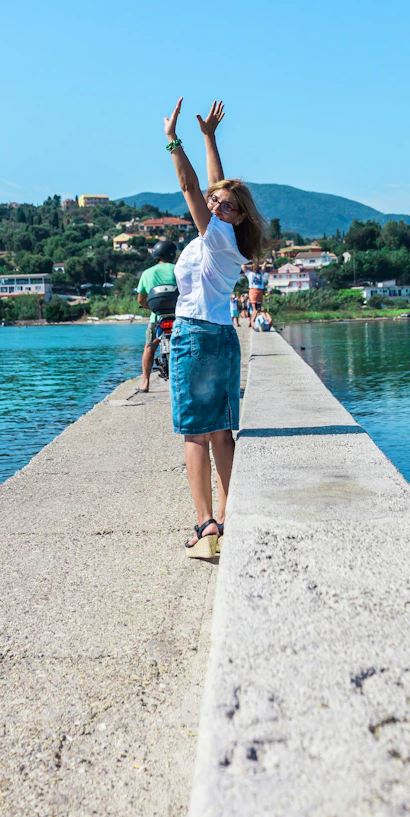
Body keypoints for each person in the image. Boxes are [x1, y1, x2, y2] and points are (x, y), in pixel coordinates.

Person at [164, 97, 266, 558]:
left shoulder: (217, 235)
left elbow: (191, 187)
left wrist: (175, 141)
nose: (215, 205)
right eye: (215, 203)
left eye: (224, 205)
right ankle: (228, 518)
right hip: (222, 336)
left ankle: (206, 526)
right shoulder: (231, 242)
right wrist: (210, 138)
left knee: (196, 434)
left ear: (238, 216)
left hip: (196, 335)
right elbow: (211, 188)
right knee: (222, 431)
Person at [136, 239, 178, 392]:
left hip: (157, 318)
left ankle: (145, 383)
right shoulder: (178, 268)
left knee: (149, 347)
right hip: (178, 317)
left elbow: (140, 298)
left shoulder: (147, 273)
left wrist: (151, 308)